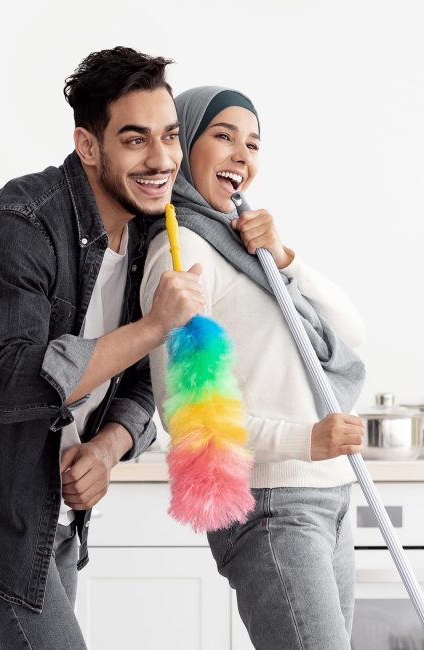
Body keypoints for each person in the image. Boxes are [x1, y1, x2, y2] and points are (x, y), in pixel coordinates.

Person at [0, 47, 204, 649]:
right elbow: (16, 385)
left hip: (58, 506)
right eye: (136, 139)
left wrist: (108, 447)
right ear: (88, 146)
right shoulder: (15, 225)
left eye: (170, 137)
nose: (162, 159)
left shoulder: (153, 234)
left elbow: (147, 378)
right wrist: (153, 326)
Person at [140, 86, 367, 650]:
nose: (242, 154)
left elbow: (349, 332)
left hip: (332, 495)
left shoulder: (248, 252)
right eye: (223, 136)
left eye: (253, 144)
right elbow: (191, 420)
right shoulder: (181, 252)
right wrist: (306, 439)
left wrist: (287, 257)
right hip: (274, 504)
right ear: (185, 144)